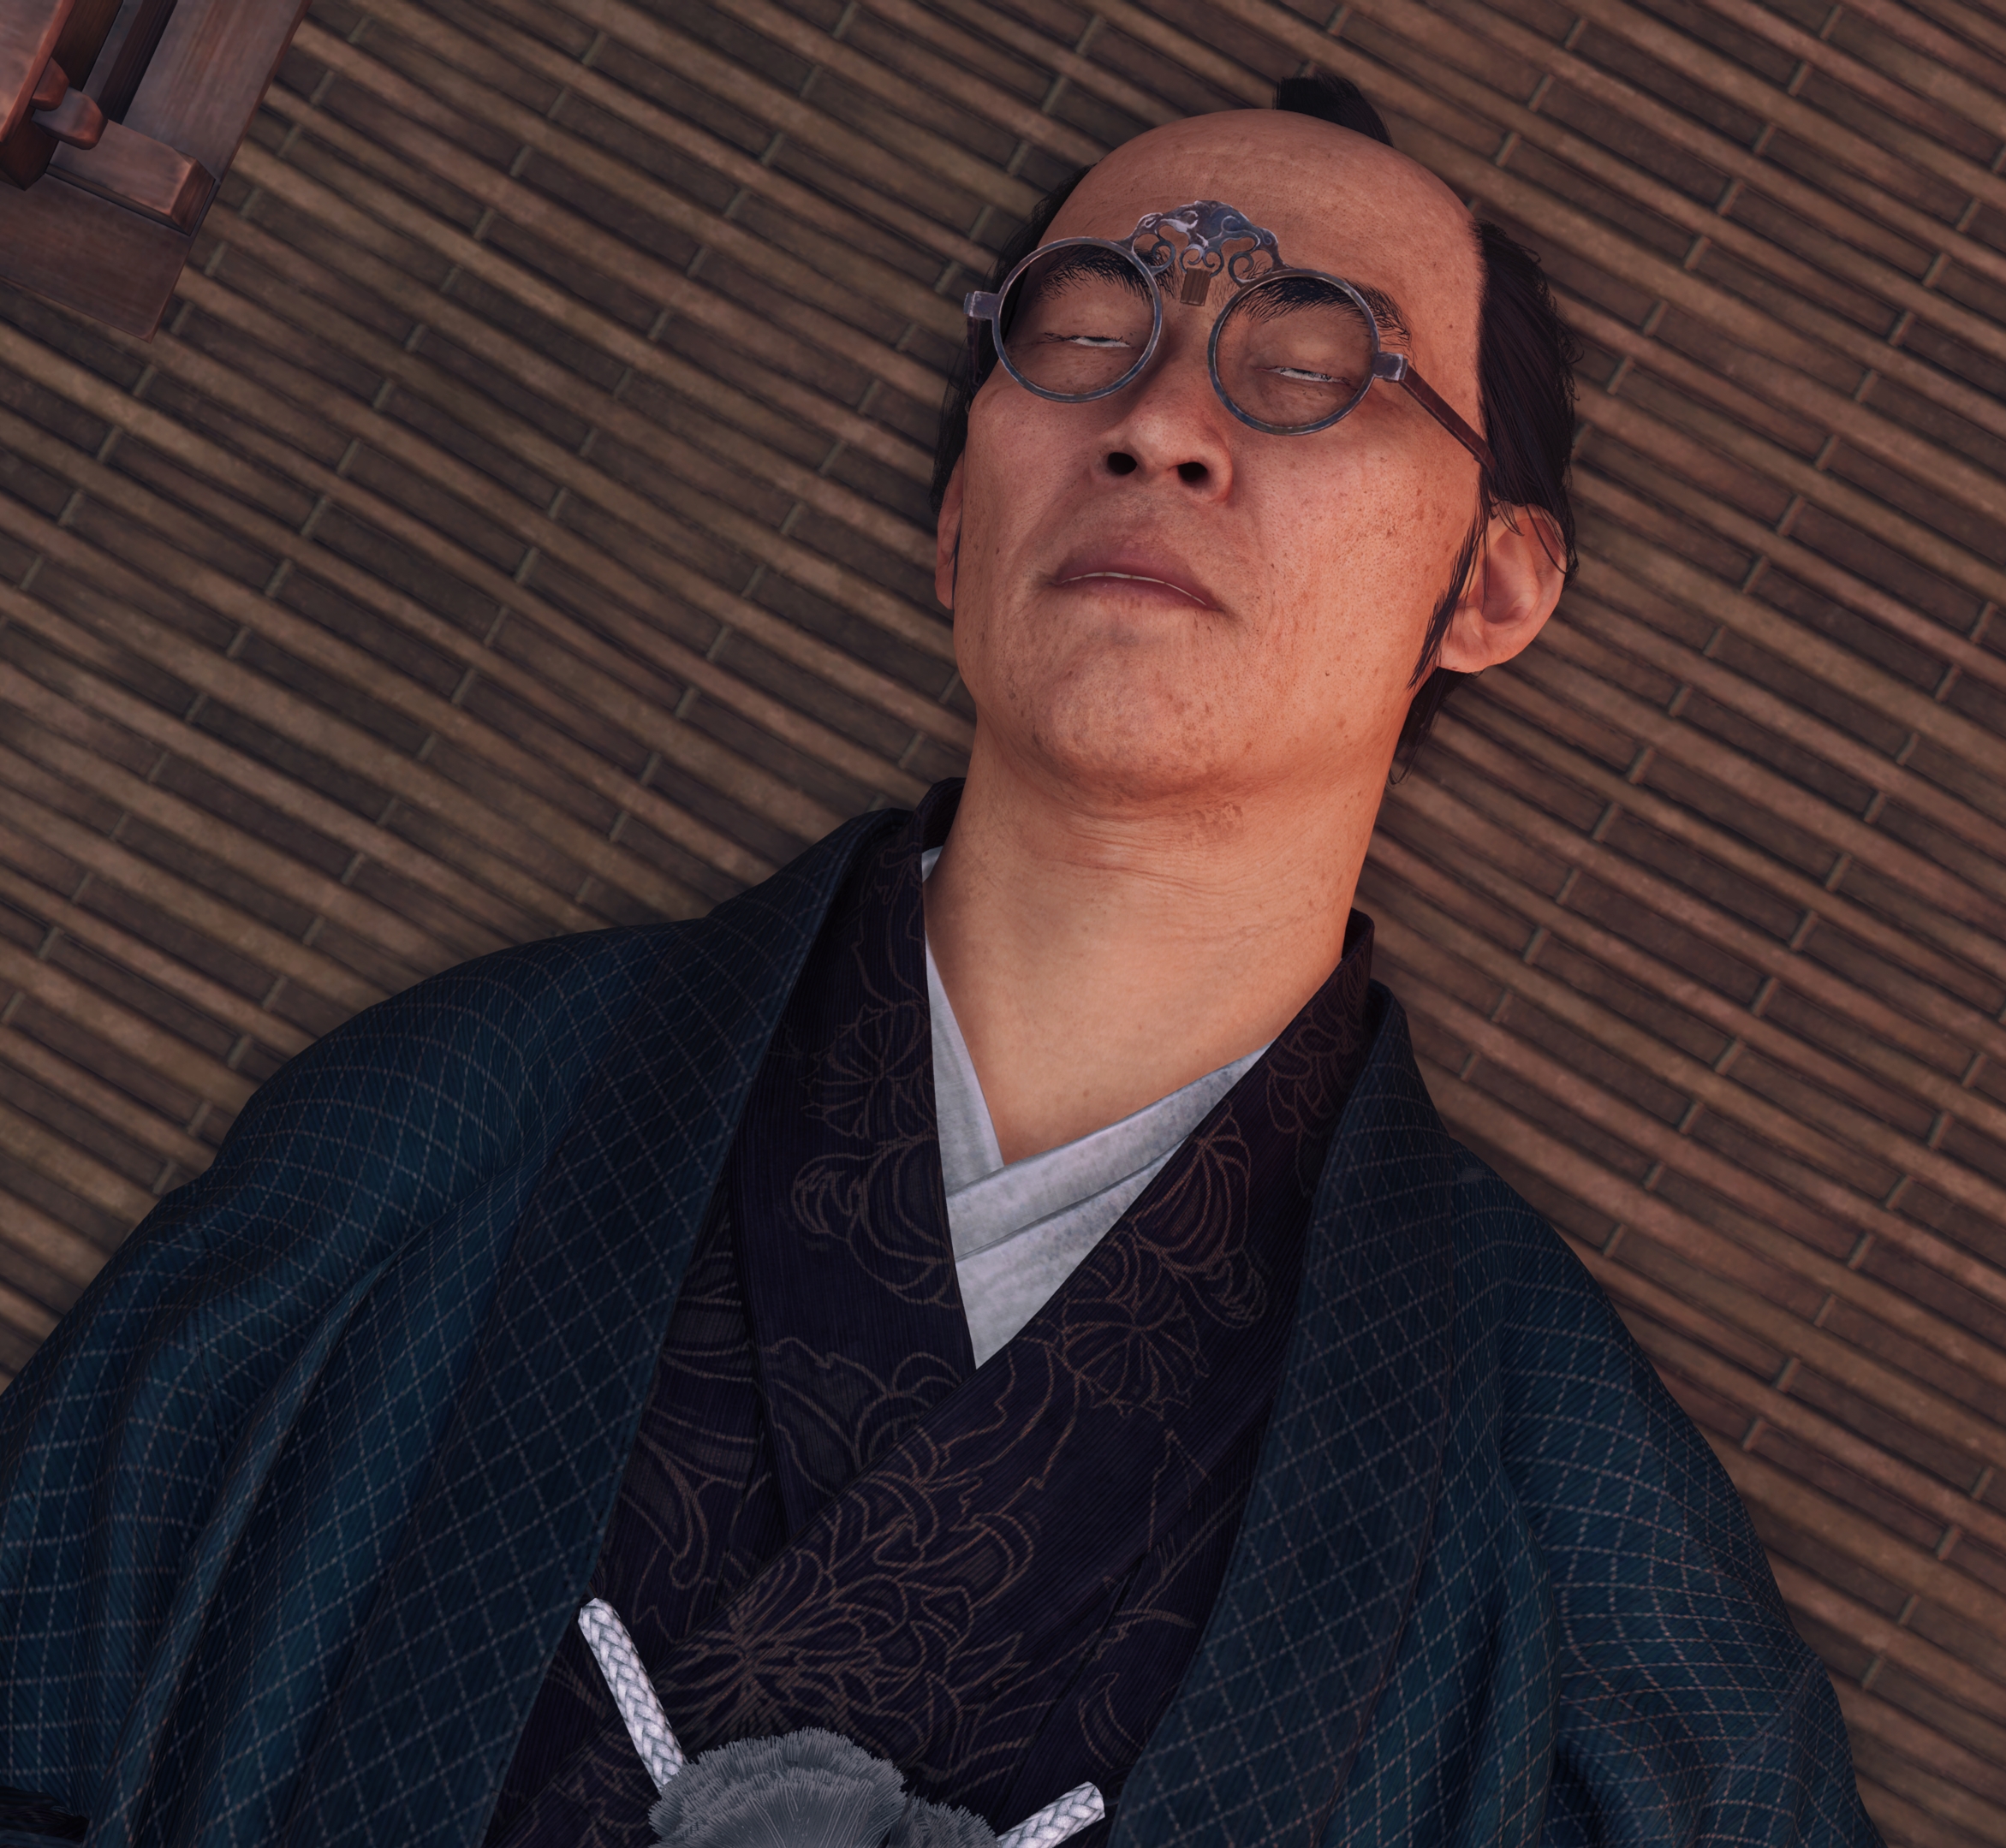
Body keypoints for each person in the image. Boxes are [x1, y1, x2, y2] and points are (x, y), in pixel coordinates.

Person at [0, 75, 1879, 1848]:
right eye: (1083, 336)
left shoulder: (1553, 1470)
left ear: (1490, 582)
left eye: (1312, 367)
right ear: (957, 519)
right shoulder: (457, 1116)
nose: (1160, 425)